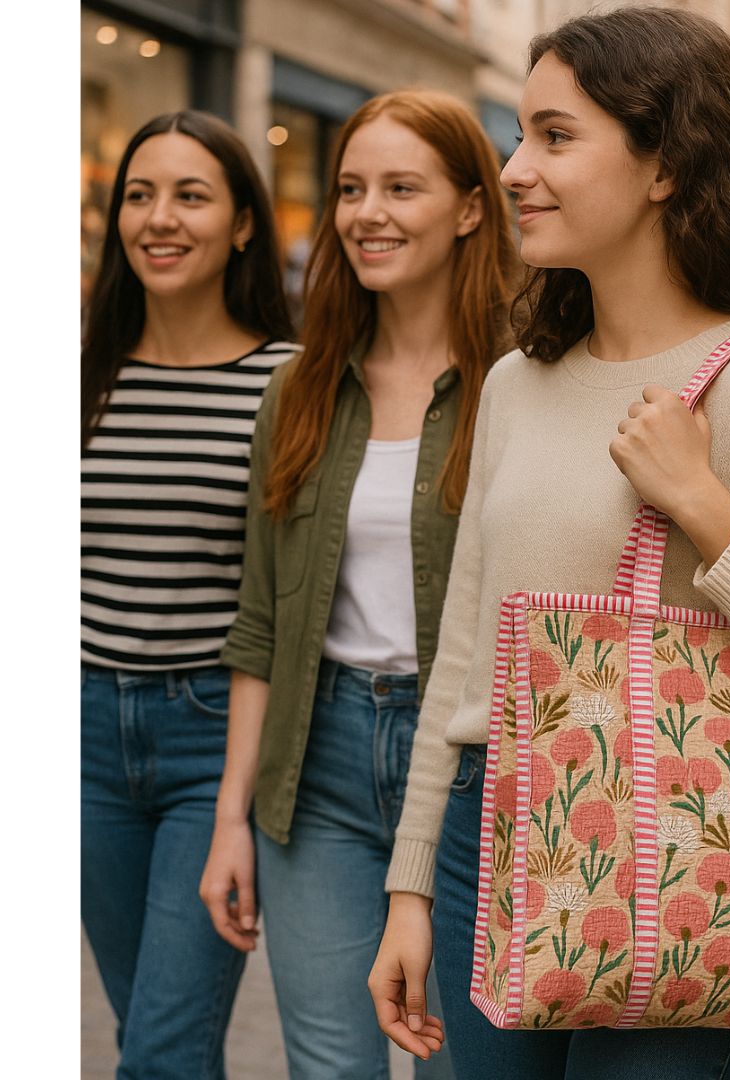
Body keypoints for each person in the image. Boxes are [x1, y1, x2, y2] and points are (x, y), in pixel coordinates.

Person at [368, 9, 730, 1080]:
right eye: (520, 136)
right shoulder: (519, 382)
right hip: (496, 836)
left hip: (685, 842)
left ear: (665, 166)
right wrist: (412, 886)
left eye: (556, 138)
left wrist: (704, 506)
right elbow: (464, 661)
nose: (517, 169)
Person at [200, 89, 517, 1080]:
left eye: (400, 187)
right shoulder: (299, 389)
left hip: (475, 767)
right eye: (349, 189)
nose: (366, 212)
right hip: (319, 764)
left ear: (470, 206)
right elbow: (260, 623)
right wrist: (230, 824)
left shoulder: (522, 380)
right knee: (331, 1067)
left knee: (462, 1063)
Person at [81, 110, 296, 1079]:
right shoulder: (79, 376)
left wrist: (237, 802)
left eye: (191, 195)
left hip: (211, 737)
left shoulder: (286, 384)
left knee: (162, 1052)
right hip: (80, 735)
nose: (158, 219)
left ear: (243, 225)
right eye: (139, 194)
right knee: (149, 1039)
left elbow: (287, 602)